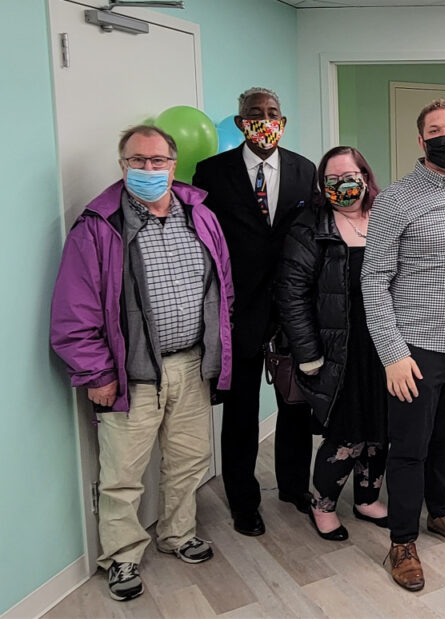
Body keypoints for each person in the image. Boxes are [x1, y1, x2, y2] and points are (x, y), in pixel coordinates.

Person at [50, 126, 233, 601]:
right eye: (138, 161)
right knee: (123, 473)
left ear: (174, 165)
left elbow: (222, 287)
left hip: (192, 364)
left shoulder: (201, 215)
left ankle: (177, 534)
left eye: (158, 161)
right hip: (129, 375)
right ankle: (123, 556)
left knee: (190, 459)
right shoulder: (98, 227)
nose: (149, 169)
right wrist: (97, 373)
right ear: (122, 165)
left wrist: (219, 346)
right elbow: (75, 310)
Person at [362, 99, 445, 591]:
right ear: (421, 141)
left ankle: (440, 513)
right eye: (436, 130)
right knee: (410, 449)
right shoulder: (396, 199)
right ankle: (401, 540)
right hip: (416, 348)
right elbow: (373, 280)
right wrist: (393, 354)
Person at [192, 87, 317, 537]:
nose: (264, 119)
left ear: (282, 120)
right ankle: (243, 501)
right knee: (241, 410)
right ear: (241, 122)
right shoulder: (211, 172)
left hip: (291, 307)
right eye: (254, 114)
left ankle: (294, 487)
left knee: (295, 404)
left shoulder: (306, 169)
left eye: (272, 113)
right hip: (238, 308)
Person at [275, 146, 389, 542]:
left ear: (365, 175)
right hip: (337, 351)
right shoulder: (309, 227)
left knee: (380, 428)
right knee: (346, 432)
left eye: (351, 176)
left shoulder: (385, 218)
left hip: (385, 345)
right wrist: (308, 356)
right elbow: (291, 295)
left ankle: (367, 499)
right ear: (322, 185)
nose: (344, 185)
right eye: (333, 179)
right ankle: (322, 504)